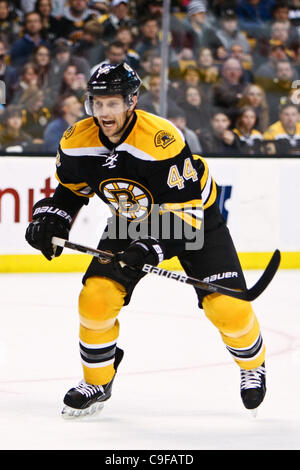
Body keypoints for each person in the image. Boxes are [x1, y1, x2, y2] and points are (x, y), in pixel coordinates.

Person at [25, 62, 267, 418]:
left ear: (131, 101)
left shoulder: (160, 140)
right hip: (131, 220)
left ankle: (253, 365)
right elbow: (70, 191)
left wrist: (150, 248)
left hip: (194, 215)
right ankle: (97, 380)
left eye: (112, 103)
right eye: (97, 102)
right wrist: (50, 220)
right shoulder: (77, 140)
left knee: (228, 309)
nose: (104, 112)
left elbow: (186, 217)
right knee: (96, 299)